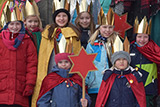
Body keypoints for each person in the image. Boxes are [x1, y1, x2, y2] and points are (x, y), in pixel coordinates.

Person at [31, 8, 81, 107]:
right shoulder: (47, 33)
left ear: (68, 18)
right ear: (54, 18)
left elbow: (77, 55)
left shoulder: (73, 34)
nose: (61, 19)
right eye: (59, 16)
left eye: (64, 16)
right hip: (51, 70)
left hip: (68, 74)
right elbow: (43, 55)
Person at [0, 5, 37, 107]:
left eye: (17, 24)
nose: (15, 27)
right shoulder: (0, 40)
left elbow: (32, 65)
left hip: (20, 90)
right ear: (7, 25)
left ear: (22, 25)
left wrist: (30, 84)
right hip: (2, 89)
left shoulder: (27, 41)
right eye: (12, 24)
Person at [85, 7, 122, 107]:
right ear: (99, 27)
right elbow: (87, 65)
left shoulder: (117, 42)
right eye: (104, 27)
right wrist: (86, 82)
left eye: (110, 27)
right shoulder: (92, 45)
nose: (107, 30)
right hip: (96, 85)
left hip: (113, 84)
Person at [130, 16, 160, 107]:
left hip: (149, 88)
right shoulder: (130, 49)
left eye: (145, 37)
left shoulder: (154, 49)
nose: (142, 40)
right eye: (139, 36)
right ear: (135, 37)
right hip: (133, 86)